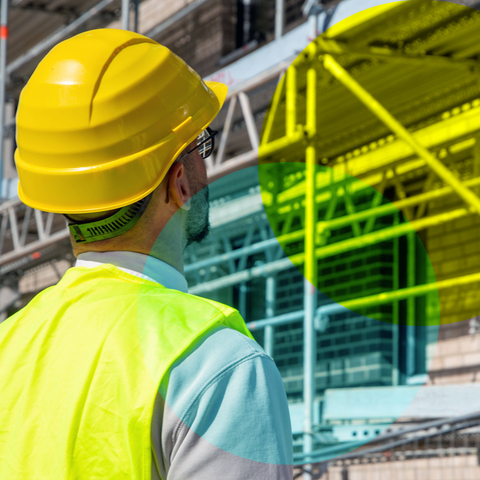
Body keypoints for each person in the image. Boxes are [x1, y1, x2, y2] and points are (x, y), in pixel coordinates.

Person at [0, 29, 293, 479]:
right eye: (200, 146)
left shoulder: (8, 345)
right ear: (179, 183)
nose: (205, 164)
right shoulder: (215, 365)